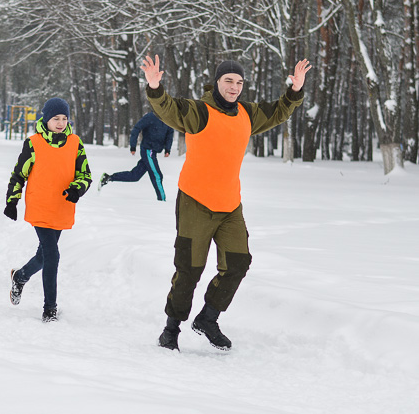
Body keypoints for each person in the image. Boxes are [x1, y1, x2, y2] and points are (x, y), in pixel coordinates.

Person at [141, 55, 311, 352]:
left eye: (239, 82)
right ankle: (171, 329)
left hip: (230, 205)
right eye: (228, 81)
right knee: (189, 269)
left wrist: (294, 91)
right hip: (196, 201)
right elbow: (169, 109)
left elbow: (277, 112)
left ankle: (207, 318)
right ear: (217, 82)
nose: (234, 87)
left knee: (238, 263)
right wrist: (155, 88)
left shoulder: (247, 113)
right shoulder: (200, 111)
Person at [4, 98, 92, 322]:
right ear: (46, 119)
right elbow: (19, 174)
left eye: (64, 118)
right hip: (40, 206)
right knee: (52, 255)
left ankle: (20, 276)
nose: (61, 123)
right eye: (56, 119)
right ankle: (49, 309)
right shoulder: (33, 143)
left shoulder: (75, 143)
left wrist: (76, 189)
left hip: (62, 207)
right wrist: (12, 201)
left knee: (43, 255)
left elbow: (85, 175)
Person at [98, 111, 173, 201]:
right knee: (157, 175)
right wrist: (133, 146)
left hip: (154, 151)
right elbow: (137, 128)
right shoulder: (150, 117)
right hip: (148, 149)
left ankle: (108, 177)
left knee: (135, 176)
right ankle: (162, 200)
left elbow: (170, 133)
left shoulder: (167, 118)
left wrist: (167, 149)